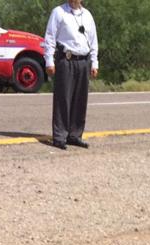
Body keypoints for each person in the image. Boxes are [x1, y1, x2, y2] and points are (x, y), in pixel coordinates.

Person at [44, 0, 99, 150]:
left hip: (83, 61)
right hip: (66, 60)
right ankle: (60, 136)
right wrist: (49, 60)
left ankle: (75, 135)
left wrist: (94, 63)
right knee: (64, 98)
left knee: (80, 99)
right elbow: (50, 37)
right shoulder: (58, 12)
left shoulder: (87, 15)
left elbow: (93, 41)